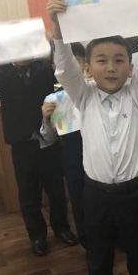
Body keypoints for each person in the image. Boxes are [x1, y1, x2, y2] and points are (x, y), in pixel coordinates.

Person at [48, 0, 138, 275]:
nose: (111, 67)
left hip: (132, 194)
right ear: (88, 68)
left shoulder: (136, 93)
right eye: (101, 60)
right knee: (98, 262)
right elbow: (64, 69)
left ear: (130, 67)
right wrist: (58, 30)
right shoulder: (83, 97)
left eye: (119, 60)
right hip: (95, 196)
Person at [0, 35, 78, 256]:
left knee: (56, 190)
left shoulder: (43, 67)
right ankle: (37, 235)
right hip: (22, 142)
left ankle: (62, 228)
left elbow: (64, 71)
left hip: (49, 139)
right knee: (28, 193)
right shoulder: (1, 72)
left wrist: (52, 44)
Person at [40, 42, 87, 247]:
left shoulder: (96, 91)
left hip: (100, 157)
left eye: (75, 63)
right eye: (62, 65)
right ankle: (87, 241)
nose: (68, 69)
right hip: (73, 161)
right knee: (78, 201)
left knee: (104, 201)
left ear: (85, 64)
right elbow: (49, 138)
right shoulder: (53, 99)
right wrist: (45, 118)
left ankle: (112, 237)